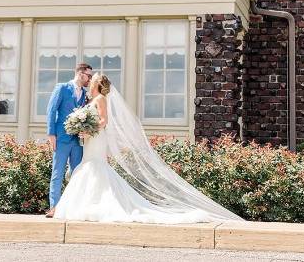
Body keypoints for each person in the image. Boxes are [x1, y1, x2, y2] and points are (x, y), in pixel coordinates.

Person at [53, 73, 243, 224]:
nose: (90, 81)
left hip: (96, 138)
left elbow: (104, 121)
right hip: (91, 139)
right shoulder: (91, 100)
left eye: (92, 79)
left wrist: (89, 130)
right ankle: (89, 203)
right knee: (89, 166)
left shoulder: (101, 99)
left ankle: (99, 203)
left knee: (95, 166)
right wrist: (83, 129)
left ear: (96, 84)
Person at [45, 63, 93, 218]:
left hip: (77, 140)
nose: (90, 79)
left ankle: (73, 207)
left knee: (77, 173)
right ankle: (54, 207)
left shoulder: (86, 94)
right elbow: (51, 110)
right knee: (58, 172)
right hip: (61, 138)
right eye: (88, 76)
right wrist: (51, 134)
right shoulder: (62, 88)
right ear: (80, 74)